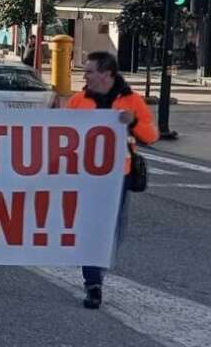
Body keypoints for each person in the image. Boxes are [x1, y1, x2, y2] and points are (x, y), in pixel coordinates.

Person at [67, 51, 158, 309]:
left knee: (109, 230)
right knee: (89, 227)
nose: (84, 75)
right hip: (84, 174)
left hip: (119, 175)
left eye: (89, 71)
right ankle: (93, 282)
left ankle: (96, 272)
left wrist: (134, 122)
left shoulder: (131, 101)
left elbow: (151, 136)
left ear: (106, 74)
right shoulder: (77, 101)